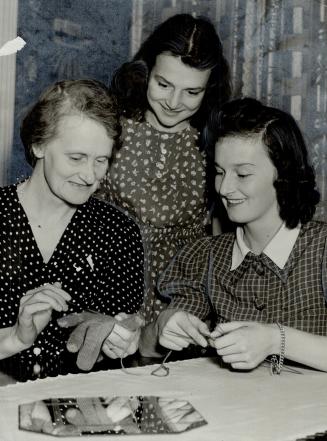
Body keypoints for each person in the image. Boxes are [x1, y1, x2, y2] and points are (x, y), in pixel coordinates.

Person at [140, 97, 327, 373]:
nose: (225, 187)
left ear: (284, 175)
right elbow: (145, 347)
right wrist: (164, 326)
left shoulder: (321, 250)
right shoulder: (204, 257)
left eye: (242, 174)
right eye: (219, 172)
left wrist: (275, 339)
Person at [0, 79, 144, 382]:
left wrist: (122, 341)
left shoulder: (119, 233)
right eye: (76, 158)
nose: (90, 175)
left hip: (80, 410)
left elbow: (117, 333)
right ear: (38, 144)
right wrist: (14, 338)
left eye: (101, 160)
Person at [99, 13, 232, 324]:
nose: (174, 102)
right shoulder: (110, 125)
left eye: (192, 92)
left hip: (180, 297)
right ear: (146, 72)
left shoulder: (217, 143)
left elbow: (223, 237)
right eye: (163, 84)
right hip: (105, 283)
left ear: (209, 89)